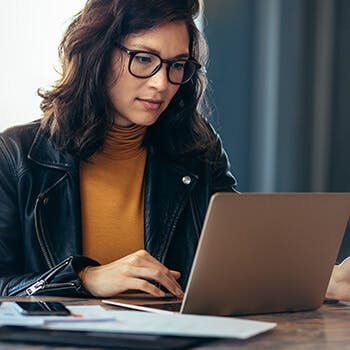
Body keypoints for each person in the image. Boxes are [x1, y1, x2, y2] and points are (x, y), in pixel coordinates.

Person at [0, 0, 237, 298]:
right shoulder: (15, 154)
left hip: (172, 339)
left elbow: (236, 260)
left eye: (177, 65)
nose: (161, 83)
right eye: (143, 59)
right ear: (97, 55)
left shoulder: (198, 149)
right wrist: (84, 278)